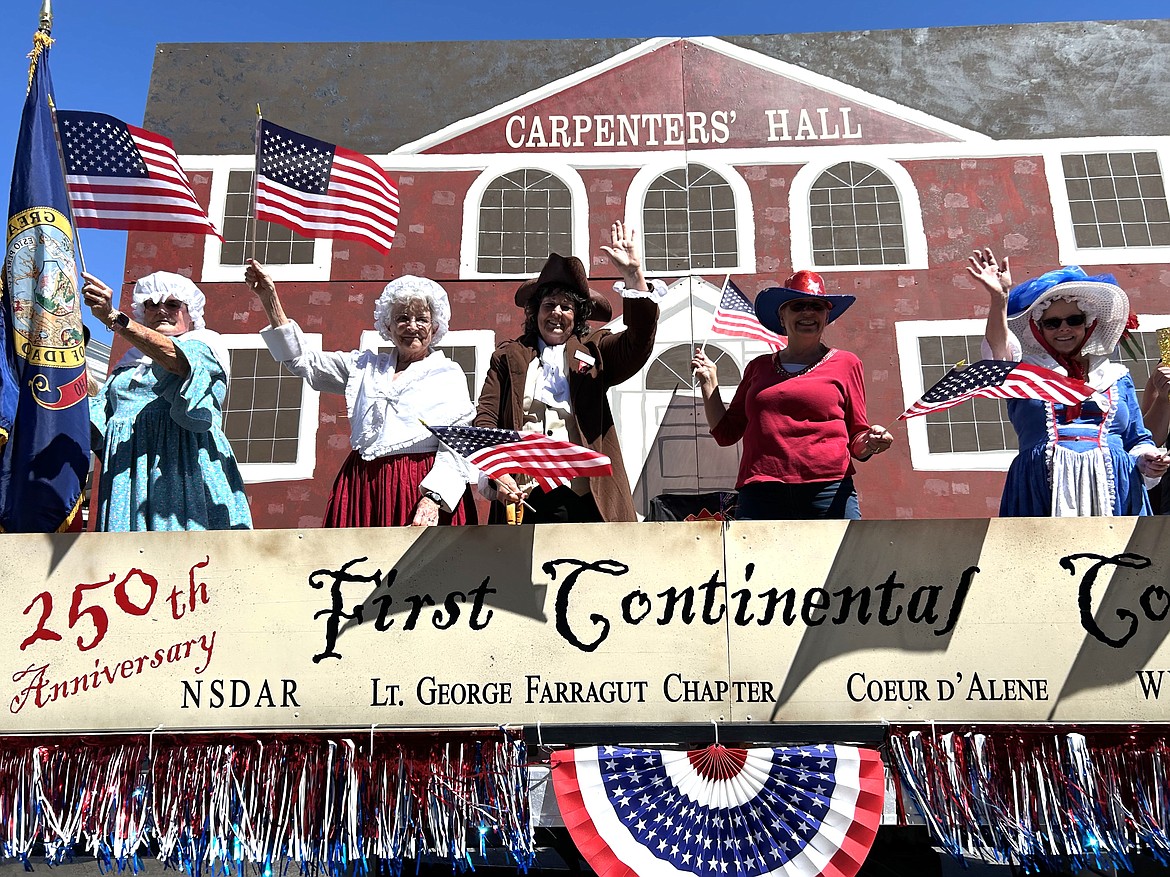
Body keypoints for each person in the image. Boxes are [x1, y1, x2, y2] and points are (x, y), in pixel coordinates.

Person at [246, 261, 476, 527]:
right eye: (402, 318)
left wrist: (434, 497)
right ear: (388, 327)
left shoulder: (447, 374)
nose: (412, 326)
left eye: (421, 319)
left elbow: (457, 445)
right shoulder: (364, 367)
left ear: (434, 328)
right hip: (363, 487)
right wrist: (270, 299)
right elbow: (303, 361)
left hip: (418, 485)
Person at [474, 221, 666, 523]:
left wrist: (633, 277)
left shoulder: (594, 350)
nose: (556, 313)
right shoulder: (508, 356)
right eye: (549, 304)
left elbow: (637, 342)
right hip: (527, 497)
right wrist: (494, 470)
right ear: (535, 312)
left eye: (566, 307)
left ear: (576, 317)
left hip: (586, 496)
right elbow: (486, 417)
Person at [968, 249, 1167, 516]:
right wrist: (999, 300)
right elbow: (997, 353)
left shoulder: (1116, 376)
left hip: (1115, 487)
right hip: (1042, 486)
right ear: (1038, 330)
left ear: (1088, 324)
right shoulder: (1026, 374)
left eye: (1074, 320)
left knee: (1115, 558)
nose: (1064, 328)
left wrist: (1147, 461)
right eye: (1052, 323)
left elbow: (1137, 439)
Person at [691, 270, 891, 521]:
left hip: (828, 493)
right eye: (798, 306)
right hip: (761, 493)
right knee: (754, 561)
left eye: (816, 306)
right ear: (782, 317)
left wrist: (872, 442)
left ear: (826, 316)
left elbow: (857, 439)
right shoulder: (758, 367)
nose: (808, 312)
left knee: (843, 561)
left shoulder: (847, 363)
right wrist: (709, 382)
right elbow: (726, 434)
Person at [81, 271, 252, 531]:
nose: (161, 310)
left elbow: (176, 361)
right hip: (128, 476)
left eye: (172, 304)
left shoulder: (204, 342)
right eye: (151, 304)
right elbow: (99, 425)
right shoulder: (127, 362)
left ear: (190, 310)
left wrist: (114, 318)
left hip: (182, 467)